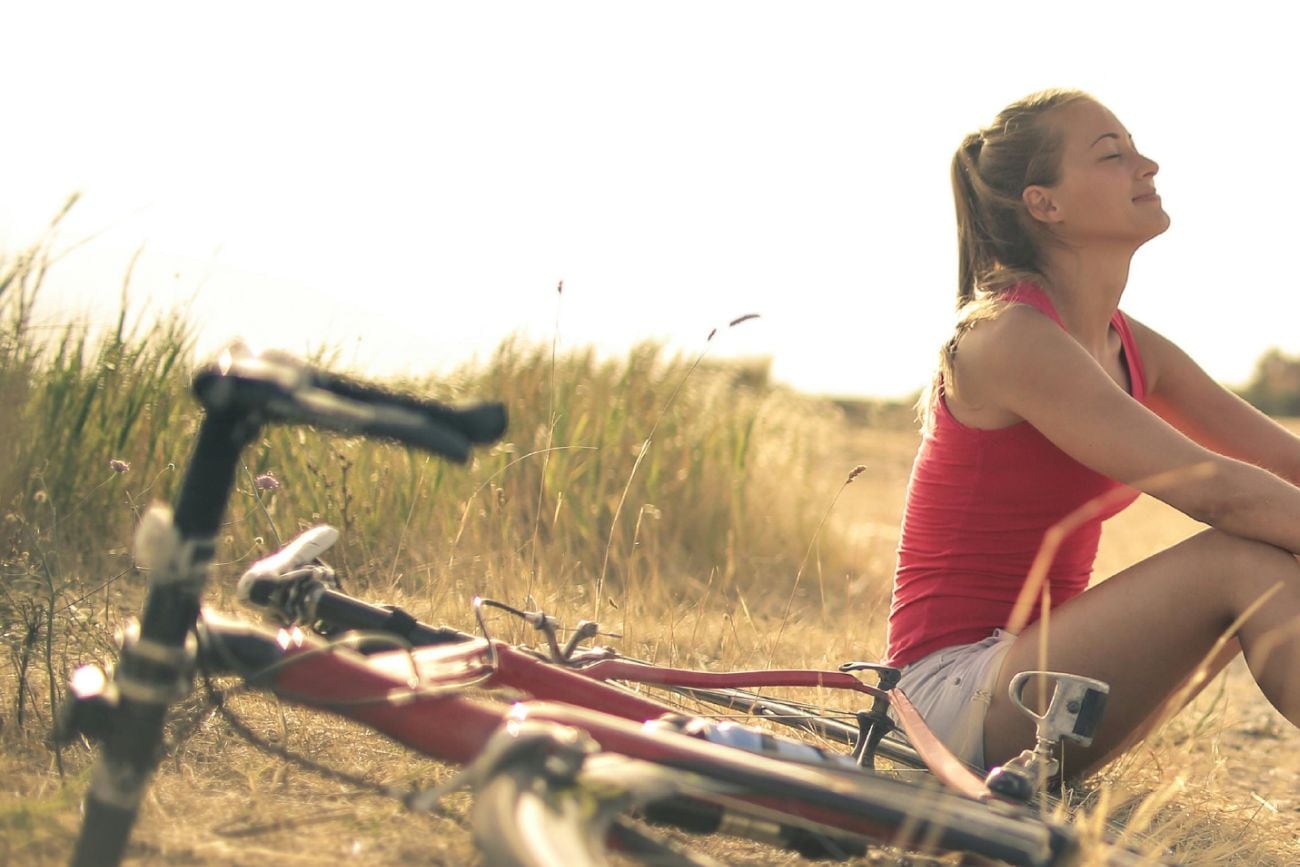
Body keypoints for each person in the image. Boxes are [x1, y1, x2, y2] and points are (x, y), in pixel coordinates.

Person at [884, 88, 1300, 779]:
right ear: (1044, 203)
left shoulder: (1129, 345)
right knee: (1244, 561)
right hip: (946, 701)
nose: (1149, 165)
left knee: (1273, 548)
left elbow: (1285, 462)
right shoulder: (1007, 337)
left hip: (1044, 691)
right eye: (1114, 154)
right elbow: (1219, 494)